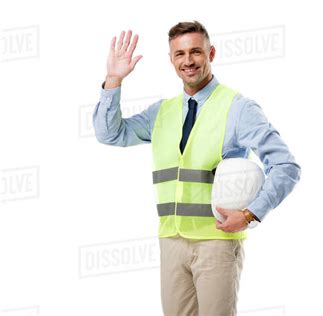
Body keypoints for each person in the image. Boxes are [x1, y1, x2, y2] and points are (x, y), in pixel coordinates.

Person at [93, 20, 301, 316]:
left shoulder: (238, 108)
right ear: (171, 60)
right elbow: (109, 134)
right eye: (179, 54)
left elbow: (286, 166)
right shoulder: (162, 112)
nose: (188, 61)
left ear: (211, 53)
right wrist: (113, 80)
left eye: (195, 52)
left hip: (216, 241)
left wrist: (250, 213)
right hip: (171, 241)